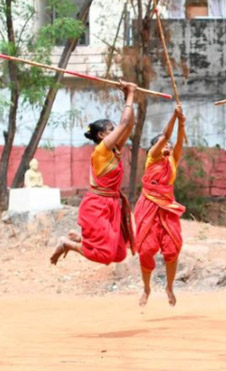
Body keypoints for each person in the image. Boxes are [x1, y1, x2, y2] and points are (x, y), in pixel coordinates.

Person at [50, 81, 137, 265]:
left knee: (119, 254)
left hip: (112, 205)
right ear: (102, 136)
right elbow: (124, 122)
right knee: (104, 256)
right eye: (111, 130)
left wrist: (129, 96)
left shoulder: (115, 149)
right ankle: (67, 243)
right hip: (97, 206)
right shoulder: (102, 151)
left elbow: (129, 125)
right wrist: (130, 93)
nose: (116, 133)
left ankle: (81, 239)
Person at [134, 104, 186, 307]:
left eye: (169, 146)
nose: (168, 146)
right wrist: (174, 116)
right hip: (148, 207)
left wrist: (182, 124)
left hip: (167, 208)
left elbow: (179, 140)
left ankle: (170, 287)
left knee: (173, 249)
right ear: (154, 148)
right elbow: (165, 135)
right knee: (146, 250)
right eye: (163, 144)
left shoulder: (172, 160)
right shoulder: (152, 158)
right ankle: (146, 288)